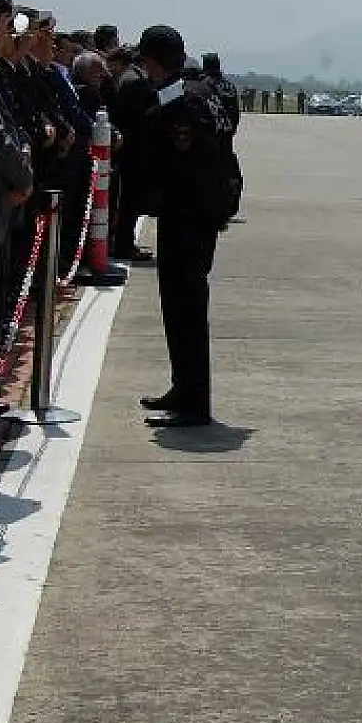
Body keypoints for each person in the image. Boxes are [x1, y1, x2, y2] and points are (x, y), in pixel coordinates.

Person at [134, 25, 229, 427]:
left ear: (153, 61)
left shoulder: (182, 102)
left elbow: (181, 159)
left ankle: (194, 400)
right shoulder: (198, 91)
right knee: (178, 307)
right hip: (195, 212)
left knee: (186, 306)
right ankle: (183, 386)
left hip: (188, 214)